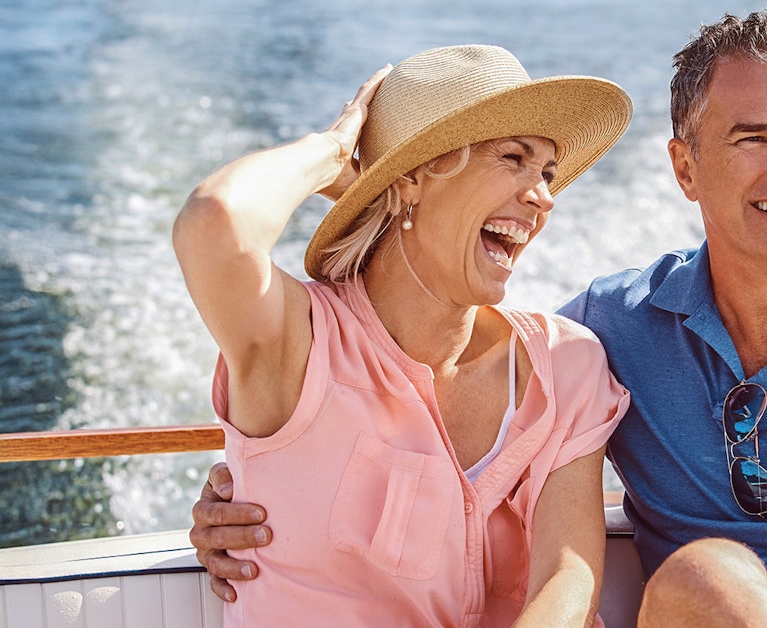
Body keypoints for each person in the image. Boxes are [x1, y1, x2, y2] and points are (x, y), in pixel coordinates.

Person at [189, 13, 767, 627]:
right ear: (684, 167)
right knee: (711, 578)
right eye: (753, 137)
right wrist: (259, 481)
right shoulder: (612, 331)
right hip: (707, 613)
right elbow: (393, 352)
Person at [173, 44, 633, 628]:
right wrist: (332, 152)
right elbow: (214, 220)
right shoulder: (300, 343)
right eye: (513, 158)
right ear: (413, 180)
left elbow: (567, 578)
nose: (544, 195)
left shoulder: (566, 362)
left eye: (546, 172)